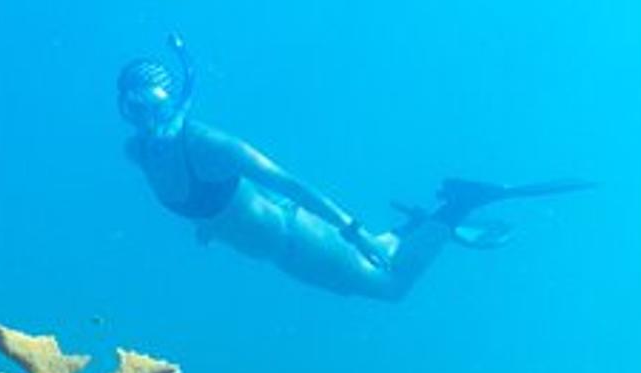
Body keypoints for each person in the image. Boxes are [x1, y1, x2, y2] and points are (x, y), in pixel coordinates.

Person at [118, 35, 590, 301]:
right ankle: (424, 226)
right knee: (390, 257)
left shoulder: (208, 145)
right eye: (136, 111)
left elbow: (292, 185)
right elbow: (211, 204)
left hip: (296, 237)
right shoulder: (137, 154)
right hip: (279, 248)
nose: (149, 121)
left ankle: (456, 209)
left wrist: (353, 230)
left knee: (392, 287)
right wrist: (210, 227)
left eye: (155, 108)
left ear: (173, 101)